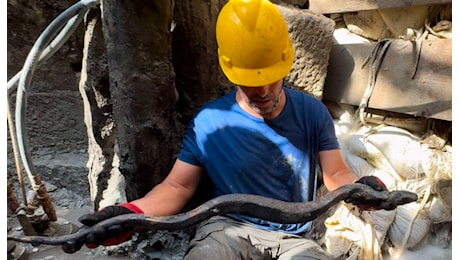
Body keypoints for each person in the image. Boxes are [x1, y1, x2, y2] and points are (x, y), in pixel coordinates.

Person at [63, 0, 387, 258]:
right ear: (230, 70)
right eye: (250, 82)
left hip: (294, 236)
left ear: (286, 61)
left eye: (269, 78)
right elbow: (177, 188)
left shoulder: (312, 113)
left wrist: (361, 189)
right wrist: (130, 215)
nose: (261, 91)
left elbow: (336, 175)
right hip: (226, 230)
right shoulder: (209, 123)